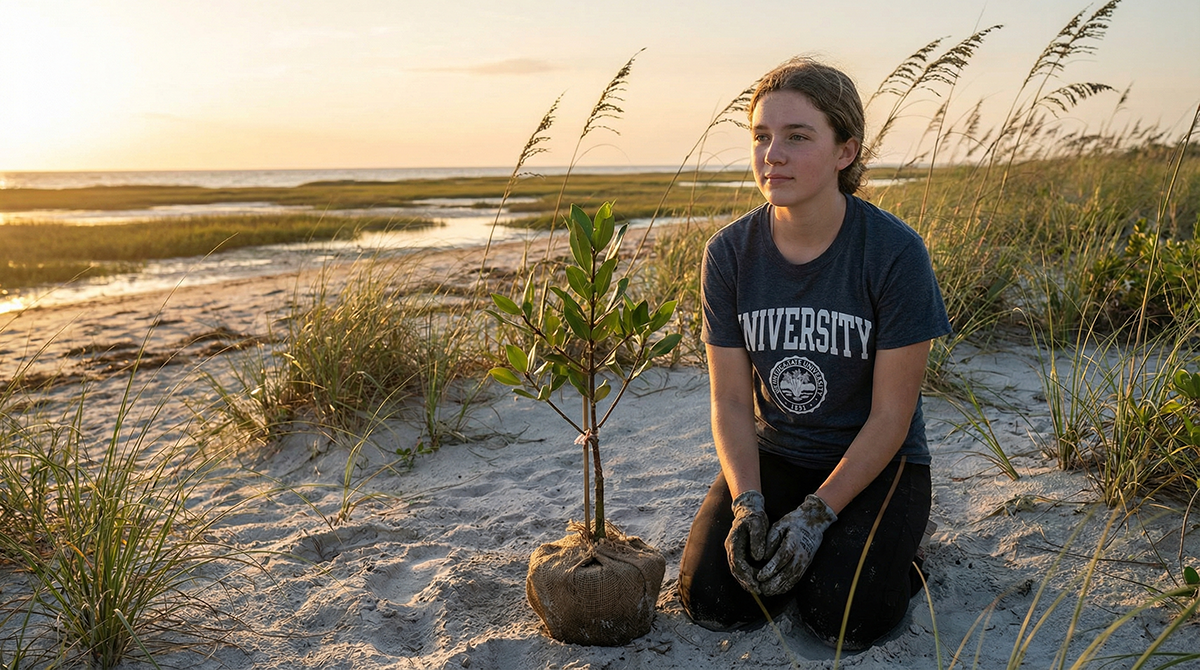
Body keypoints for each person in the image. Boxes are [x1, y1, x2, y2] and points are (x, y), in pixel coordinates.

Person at [677, 57, 952, 650]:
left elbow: (891, 417)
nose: (772, 154)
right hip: (781, 449)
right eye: (762, 136)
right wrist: (749, 504)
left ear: (845, 151)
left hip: (881, 462)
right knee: (712, 600)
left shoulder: (894, 254)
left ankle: (903, 552)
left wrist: (814, 518)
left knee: (840, 614)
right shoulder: (728, 255)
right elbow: (728, 400)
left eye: (798, 137)